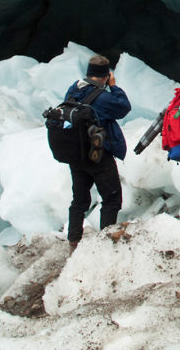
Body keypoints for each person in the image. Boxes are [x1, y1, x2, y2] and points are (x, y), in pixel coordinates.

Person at [65, 54, 131, 248]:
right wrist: (114, 86)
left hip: (76, 154)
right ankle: (105, 244)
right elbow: (123, 108)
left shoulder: (73, 90)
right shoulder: (102, 97)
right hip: (98, 155)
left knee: (79, 199)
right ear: (105, 75)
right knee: (111, 199)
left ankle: (74, 241)